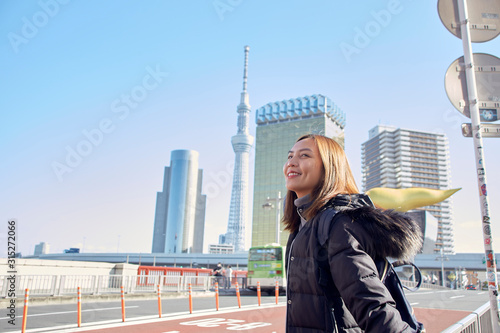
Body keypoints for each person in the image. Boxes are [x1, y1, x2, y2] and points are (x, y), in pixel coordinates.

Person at [283, 134, 423, 332]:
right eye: (290, 156)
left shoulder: (338, 225)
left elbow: (373, 307)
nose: (292, 163)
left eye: (304, 156)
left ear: (329, 169)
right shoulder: (301, 227)